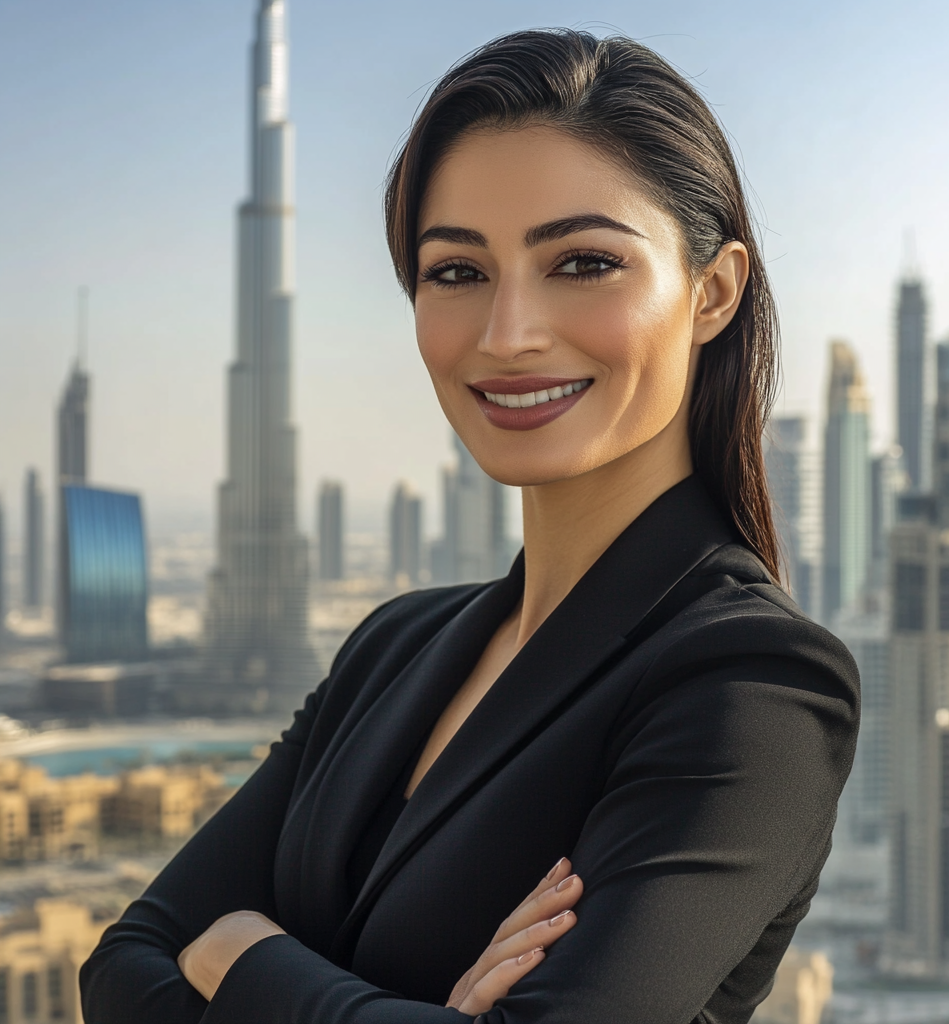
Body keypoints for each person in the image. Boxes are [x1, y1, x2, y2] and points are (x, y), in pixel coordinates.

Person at [81, 28, 858, 1024]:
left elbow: (184, 954)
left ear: (712, 291)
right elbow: (122, 967)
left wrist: (245, 955)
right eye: (456, 272)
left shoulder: (751, 683)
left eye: (582, 262)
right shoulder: (391, 647)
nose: (507, 334)